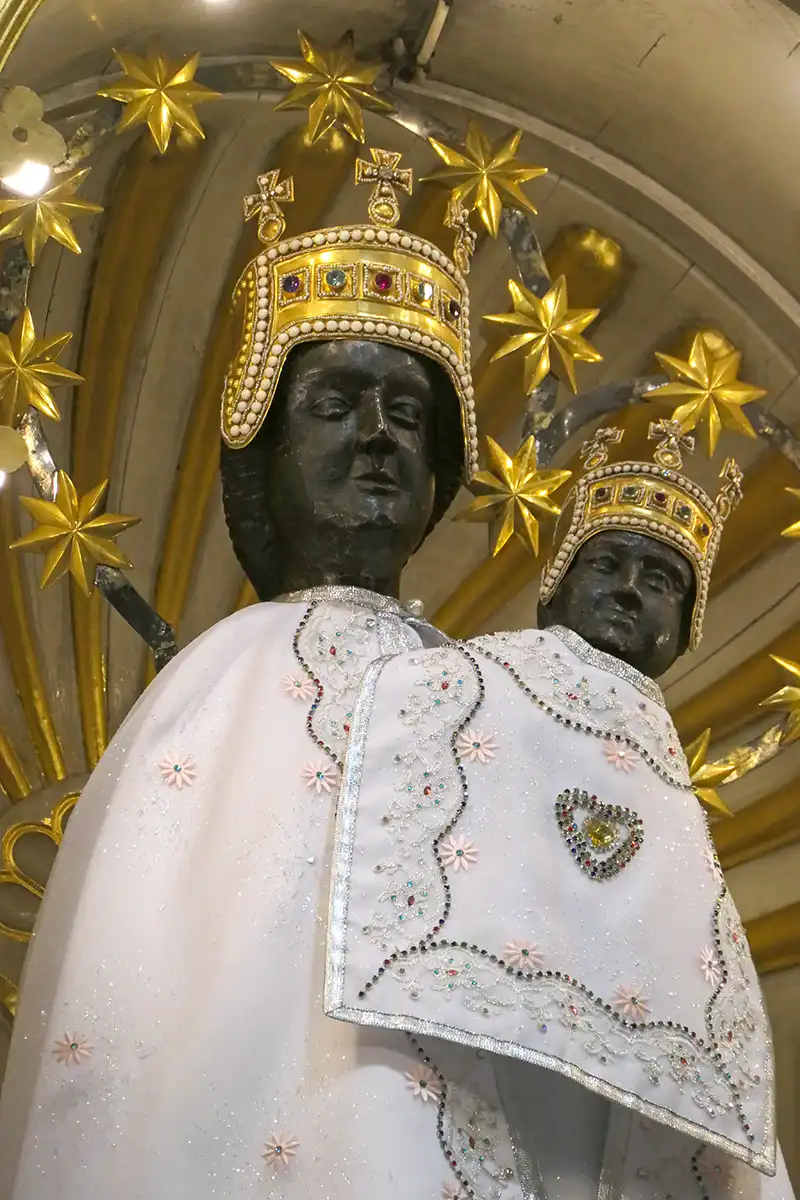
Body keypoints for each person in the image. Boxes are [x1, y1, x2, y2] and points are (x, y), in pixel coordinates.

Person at [0, 152, 501, 1199]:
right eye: (335, 403)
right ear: (262, 444)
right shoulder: (219, 678)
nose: (377, 438)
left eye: (408, 416)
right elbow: (144, 965)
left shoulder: (487, 693)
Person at [326, 422, 795, 1198]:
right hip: (452, 1037)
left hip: (611, 1106)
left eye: (662, 581)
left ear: (686, 632)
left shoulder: (666, 773)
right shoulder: (463, 677)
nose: (628, 590)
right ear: (555, 585)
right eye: (606, 563)